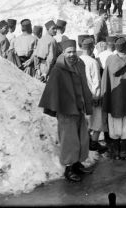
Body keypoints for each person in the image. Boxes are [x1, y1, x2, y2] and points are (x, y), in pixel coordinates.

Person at [38, 39, 94, 182]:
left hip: (78, 107)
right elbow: (52, 90)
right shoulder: (58, 69)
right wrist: (56, 108)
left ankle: (77, 164)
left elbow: (83, 84)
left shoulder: (79, 64)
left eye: (74, 51)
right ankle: (69, 169)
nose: (72, 54)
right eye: (68, 52)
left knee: (81, 138)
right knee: (69, 141)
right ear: (63, 52)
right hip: (66, 110)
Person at [101, 37, 126, 160]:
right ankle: (124, 151)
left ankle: (114, 151)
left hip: (113, 101)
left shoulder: (109, 62)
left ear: (116, 48)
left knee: (114, 125)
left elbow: (104, 82)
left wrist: (105, 99)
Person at [78, 37, 107, 153]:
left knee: (85, 120)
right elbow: (97, 82)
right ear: (91, 48)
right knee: (97, 120)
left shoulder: (78, 60)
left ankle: (84, 140)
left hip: (80, 95)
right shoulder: (93, 62)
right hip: (92, 96)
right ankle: (93, 143)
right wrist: (98, 96)